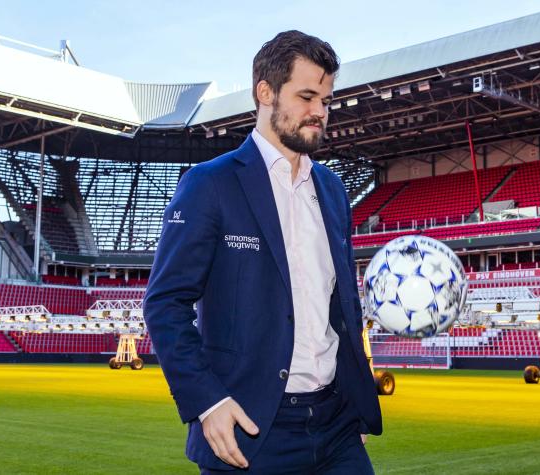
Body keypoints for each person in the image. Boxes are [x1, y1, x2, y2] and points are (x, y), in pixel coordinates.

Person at [144, 30, 382, 474]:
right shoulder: (210, 184)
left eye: (326, 101)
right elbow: (165, 303)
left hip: (336, 426)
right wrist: (207, 401)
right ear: (265, 92)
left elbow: (339, 304)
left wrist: (354, 392)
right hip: (250, 431)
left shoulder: (332, 190)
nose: (319, 112)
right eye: (307, 96)